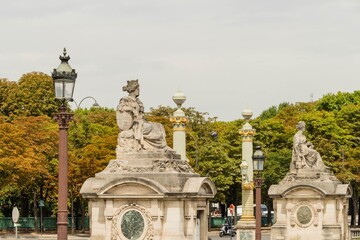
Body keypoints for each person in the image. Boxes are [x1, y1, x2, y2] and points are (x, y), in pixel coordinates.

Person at [116, 80, 169, 153]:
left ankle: (162, 147)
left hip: (142, 121)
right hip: (135, 124)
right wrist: (131, 109)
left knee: (159, 126)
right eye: (137, 89)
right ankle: (159, 147)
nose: (139, 91)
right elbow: (120, 108)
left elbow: (141, 115)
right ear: (133, 90)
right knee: (150, 128)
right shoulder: (126, 99)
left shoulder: (138, 101)